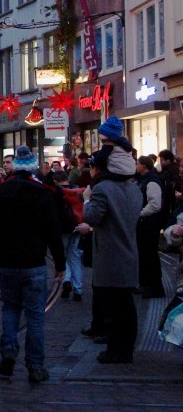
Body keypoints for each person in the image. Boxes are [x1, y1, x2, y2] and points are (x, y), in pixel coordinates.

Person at [0, 145, 64, 383]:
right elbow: (53, 232)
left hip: (7, 261)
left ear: (14, 168)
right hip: (34, 262)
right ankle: (35, 366)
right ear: (33, 169)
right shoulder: (44, 193)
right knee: (35, 316)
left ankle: (8, 353)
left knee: (10, 308)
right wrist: (60, 262)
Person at [76, 124, 141, 363]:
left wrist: (86, 200)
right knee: (126, 307)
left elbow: (93, 217)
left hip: (110, 256)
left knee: (114, 308)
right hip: (129, 253)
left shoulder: (102, 189)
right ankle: (126, 348)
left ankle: (116, 350)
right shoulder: (133, 189)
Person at [135, 155, 168, 298]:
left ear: (144, 166)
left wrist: (140, 213)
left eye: (137, 163)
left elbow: (155, 205)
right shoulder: (146, 180)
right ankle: (146, 285)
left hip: (149, 225)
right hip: (145, 224)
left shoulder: (152, 181)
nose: (136, 166)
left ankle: (154, 287)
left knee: (149, 255)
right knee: (145, 255)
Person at [52, 171, 86, 301]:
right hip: (77, 226)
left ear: (55, 181)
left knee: (63, 256)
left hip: (62, 228)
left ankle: (66, 280)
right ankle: (78, 289)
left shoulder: (56, 192)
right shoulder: (77, 190)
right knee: (76, 257)